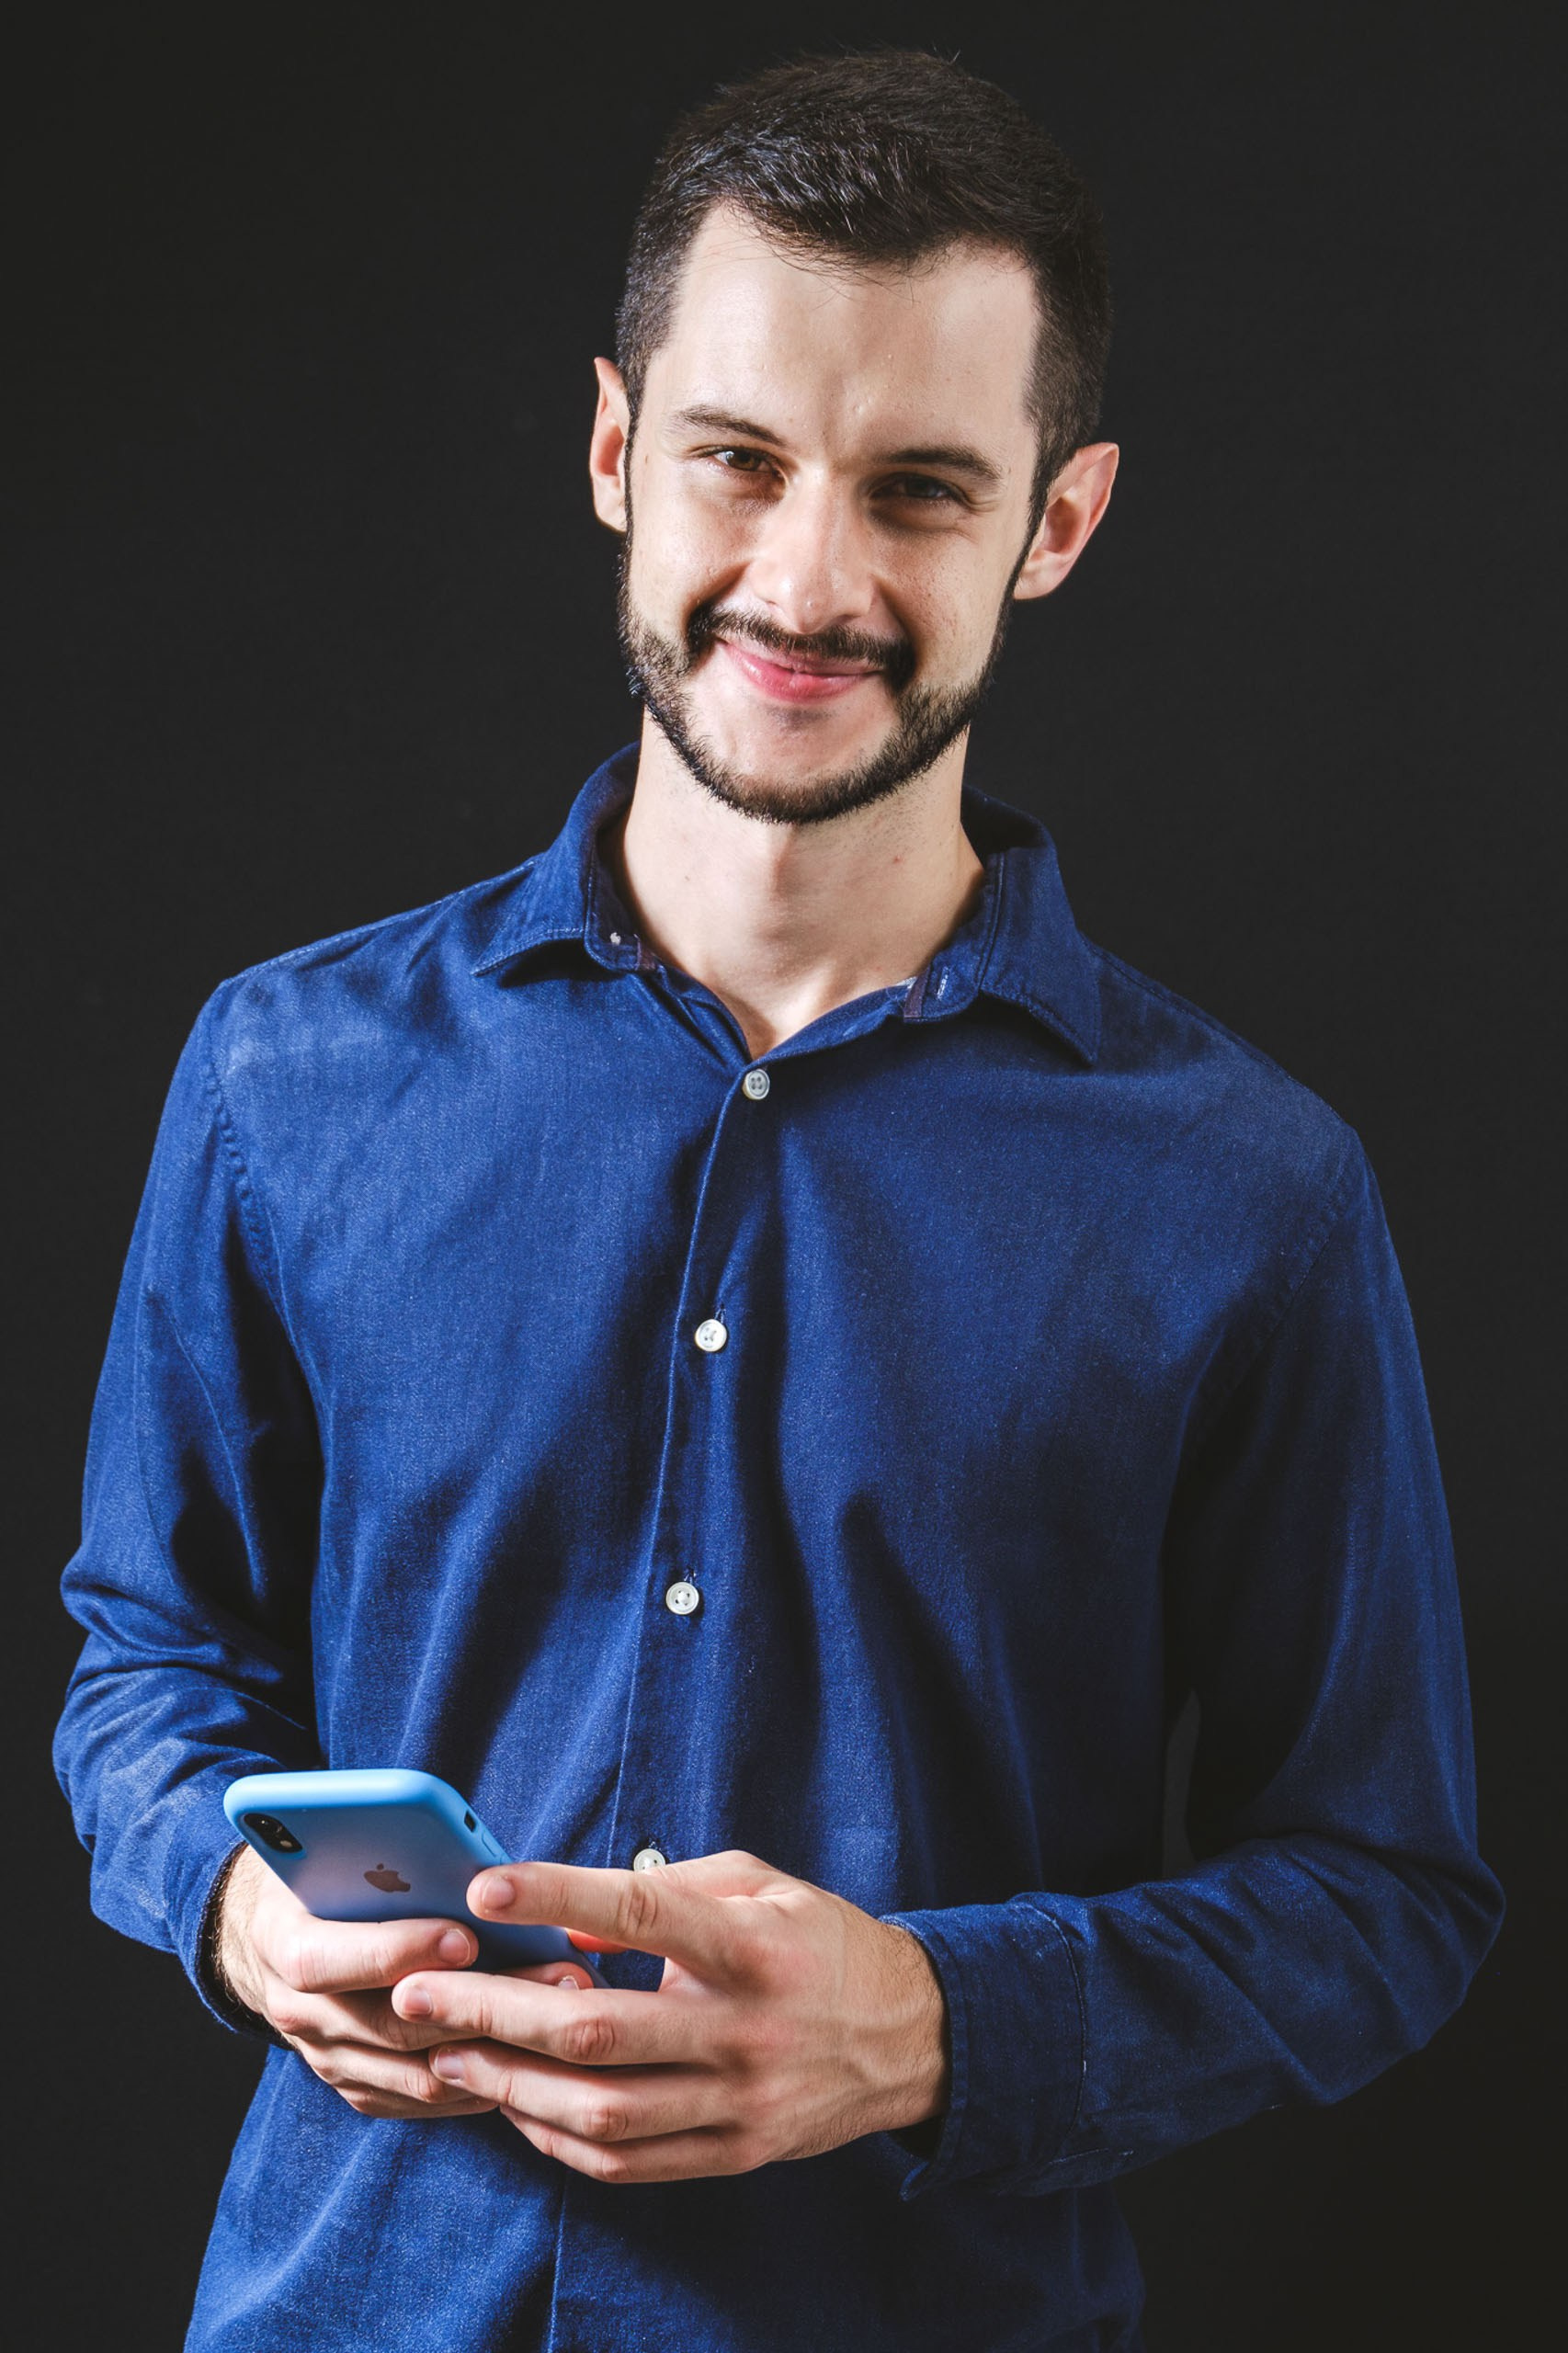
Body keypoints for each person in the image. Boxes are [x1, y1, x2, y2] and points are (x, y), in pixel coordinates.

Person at [54, 49, 1502, 2353]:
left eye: (922, 488)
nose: (808, 579)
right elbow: (143, 1665)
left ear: (1058, 519)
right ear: (619, 448)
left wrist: (933, 2021)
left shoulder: (1252, 1192)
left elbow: (1386, 1890)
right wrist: (236, 1908)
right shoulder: (283, 1071)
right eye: (740, 458)